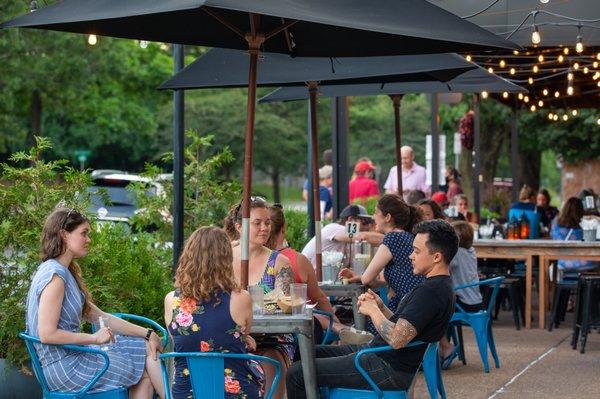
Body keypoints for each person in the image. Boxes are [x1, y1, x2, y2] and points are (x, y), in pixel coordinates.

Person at [286, 220, 458, 398]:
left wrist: (372, 311)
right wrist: (381, 308)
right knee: (302, 353)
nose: (410, 256)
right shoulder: (439, 286)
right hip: (380, 356)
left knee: (297, 374)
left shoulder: (431, 292)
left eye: (416, 251)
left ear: (437, 257)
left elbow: (398, 338)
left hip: (385, 367)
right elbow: (408, 329)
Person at [25, 208, 164, 398]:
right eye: (83, 233)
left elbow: (100, 316)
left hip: (70, 360)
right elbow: (47, 334)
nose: (88, 239)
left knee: (144, 349)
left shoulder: (61, 271)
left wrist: (147, 333)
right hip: (66, 370)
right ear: (64, 235)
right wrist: (94, 338)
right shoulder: (55, 277)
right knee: (146, 363)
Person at [164, 226, 263, 399]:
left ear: (188, 257)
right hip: (235, 392)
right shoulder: (241, 298)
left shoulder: (171, 300)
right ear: (226, 258)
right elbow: (244, 332)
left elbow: (183, 341)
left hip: (186, 392)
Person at [224, 197, 294, 399]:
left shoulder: (280, 262)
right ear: (239, 226)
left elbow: (287, 304)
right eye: (257, 223)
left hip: (272, 339)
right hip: (230, 336)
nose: (264, 228)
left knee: (270, 362)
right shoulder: (223, 255)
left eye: (267, 222)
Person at [267, 205, 355, 339]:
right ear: (283, 228)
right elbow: (319, 299)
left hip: (259, 332)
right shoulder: (297, 260)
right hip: (295, 336)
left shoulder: (251, 259)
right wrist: (336, 324)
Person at [340, 194, 424, 333]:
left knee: (360, 330)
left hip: (406, 308)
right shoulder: (407, 236)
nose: (373, 217)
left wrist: (362, 277)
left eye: (375, 212)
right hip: (415, 303)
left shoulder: (392, 238)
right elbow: (383, 281)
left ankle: (361, 354)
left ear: (388, 217)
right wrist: (358, 277)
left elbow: (367, 279)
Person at [439, 221, 482, 365]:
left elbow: (440, 267)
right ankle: (443, 347)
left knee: (435, 310)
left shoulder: (456, 254)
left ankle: (445, 347)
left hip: (464, 304)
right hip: (476, 302)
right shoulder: (471, 251)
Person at [301, 204, 373, 269]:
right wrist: (383, 238)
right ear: (351, 220)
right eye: (365, 222)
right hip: (307, 276)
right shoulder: (334, 228)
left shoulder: (350, 241)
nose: (367, 226)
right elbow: (363, 237)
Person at [551, 197, 597, 273]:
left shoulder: (556, 223)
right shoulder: (584, 225)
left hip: (561, 262)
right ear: (581, 210)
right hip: (585, 262)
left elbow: (552, 236)